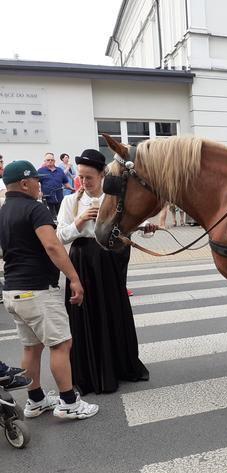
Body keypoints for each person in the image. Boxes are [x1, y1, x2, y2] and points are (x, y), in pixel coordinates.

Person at [0, 160, 98, 419]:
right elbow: (53, 246)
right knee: (61, 344)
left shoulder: (3, 211)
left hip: (12, 290)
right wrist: (74, 278)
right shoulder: (36, 209)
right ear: (24, 183)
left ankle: (36, 399)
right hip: (38, 290)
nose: (39, 186)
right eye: (36, 181)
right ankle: (68, 402)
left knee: (31, 347)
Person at [56, 149, 151, 395]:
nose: (84, 183)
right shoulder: (71, 201)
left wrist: (146, 227)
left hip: (107, 261)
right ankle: (89, 372)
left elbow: (127, 225)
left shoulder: (113, 198)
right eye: (81, 177)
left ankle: (119, 366)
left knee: (112, 311)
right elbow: (59, 237)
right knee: (86, 314)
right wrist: (78, 223)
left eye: (89, 177)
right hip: (82, 261)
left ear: (102, 175)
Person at [38, 152, 73, 219]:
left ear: (54, 161)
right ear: (45, 161)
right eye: (48, 160)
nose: (50, 161)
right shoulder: (40, 171)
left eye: (52, 160)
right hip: (47, 199)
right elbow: (35, 182)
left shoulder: (60, 170)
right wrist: (38, 191)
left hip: (59, 198)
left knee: (61, 217)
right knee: (51, 218)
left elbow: (65, 182)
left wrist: (72, 189)